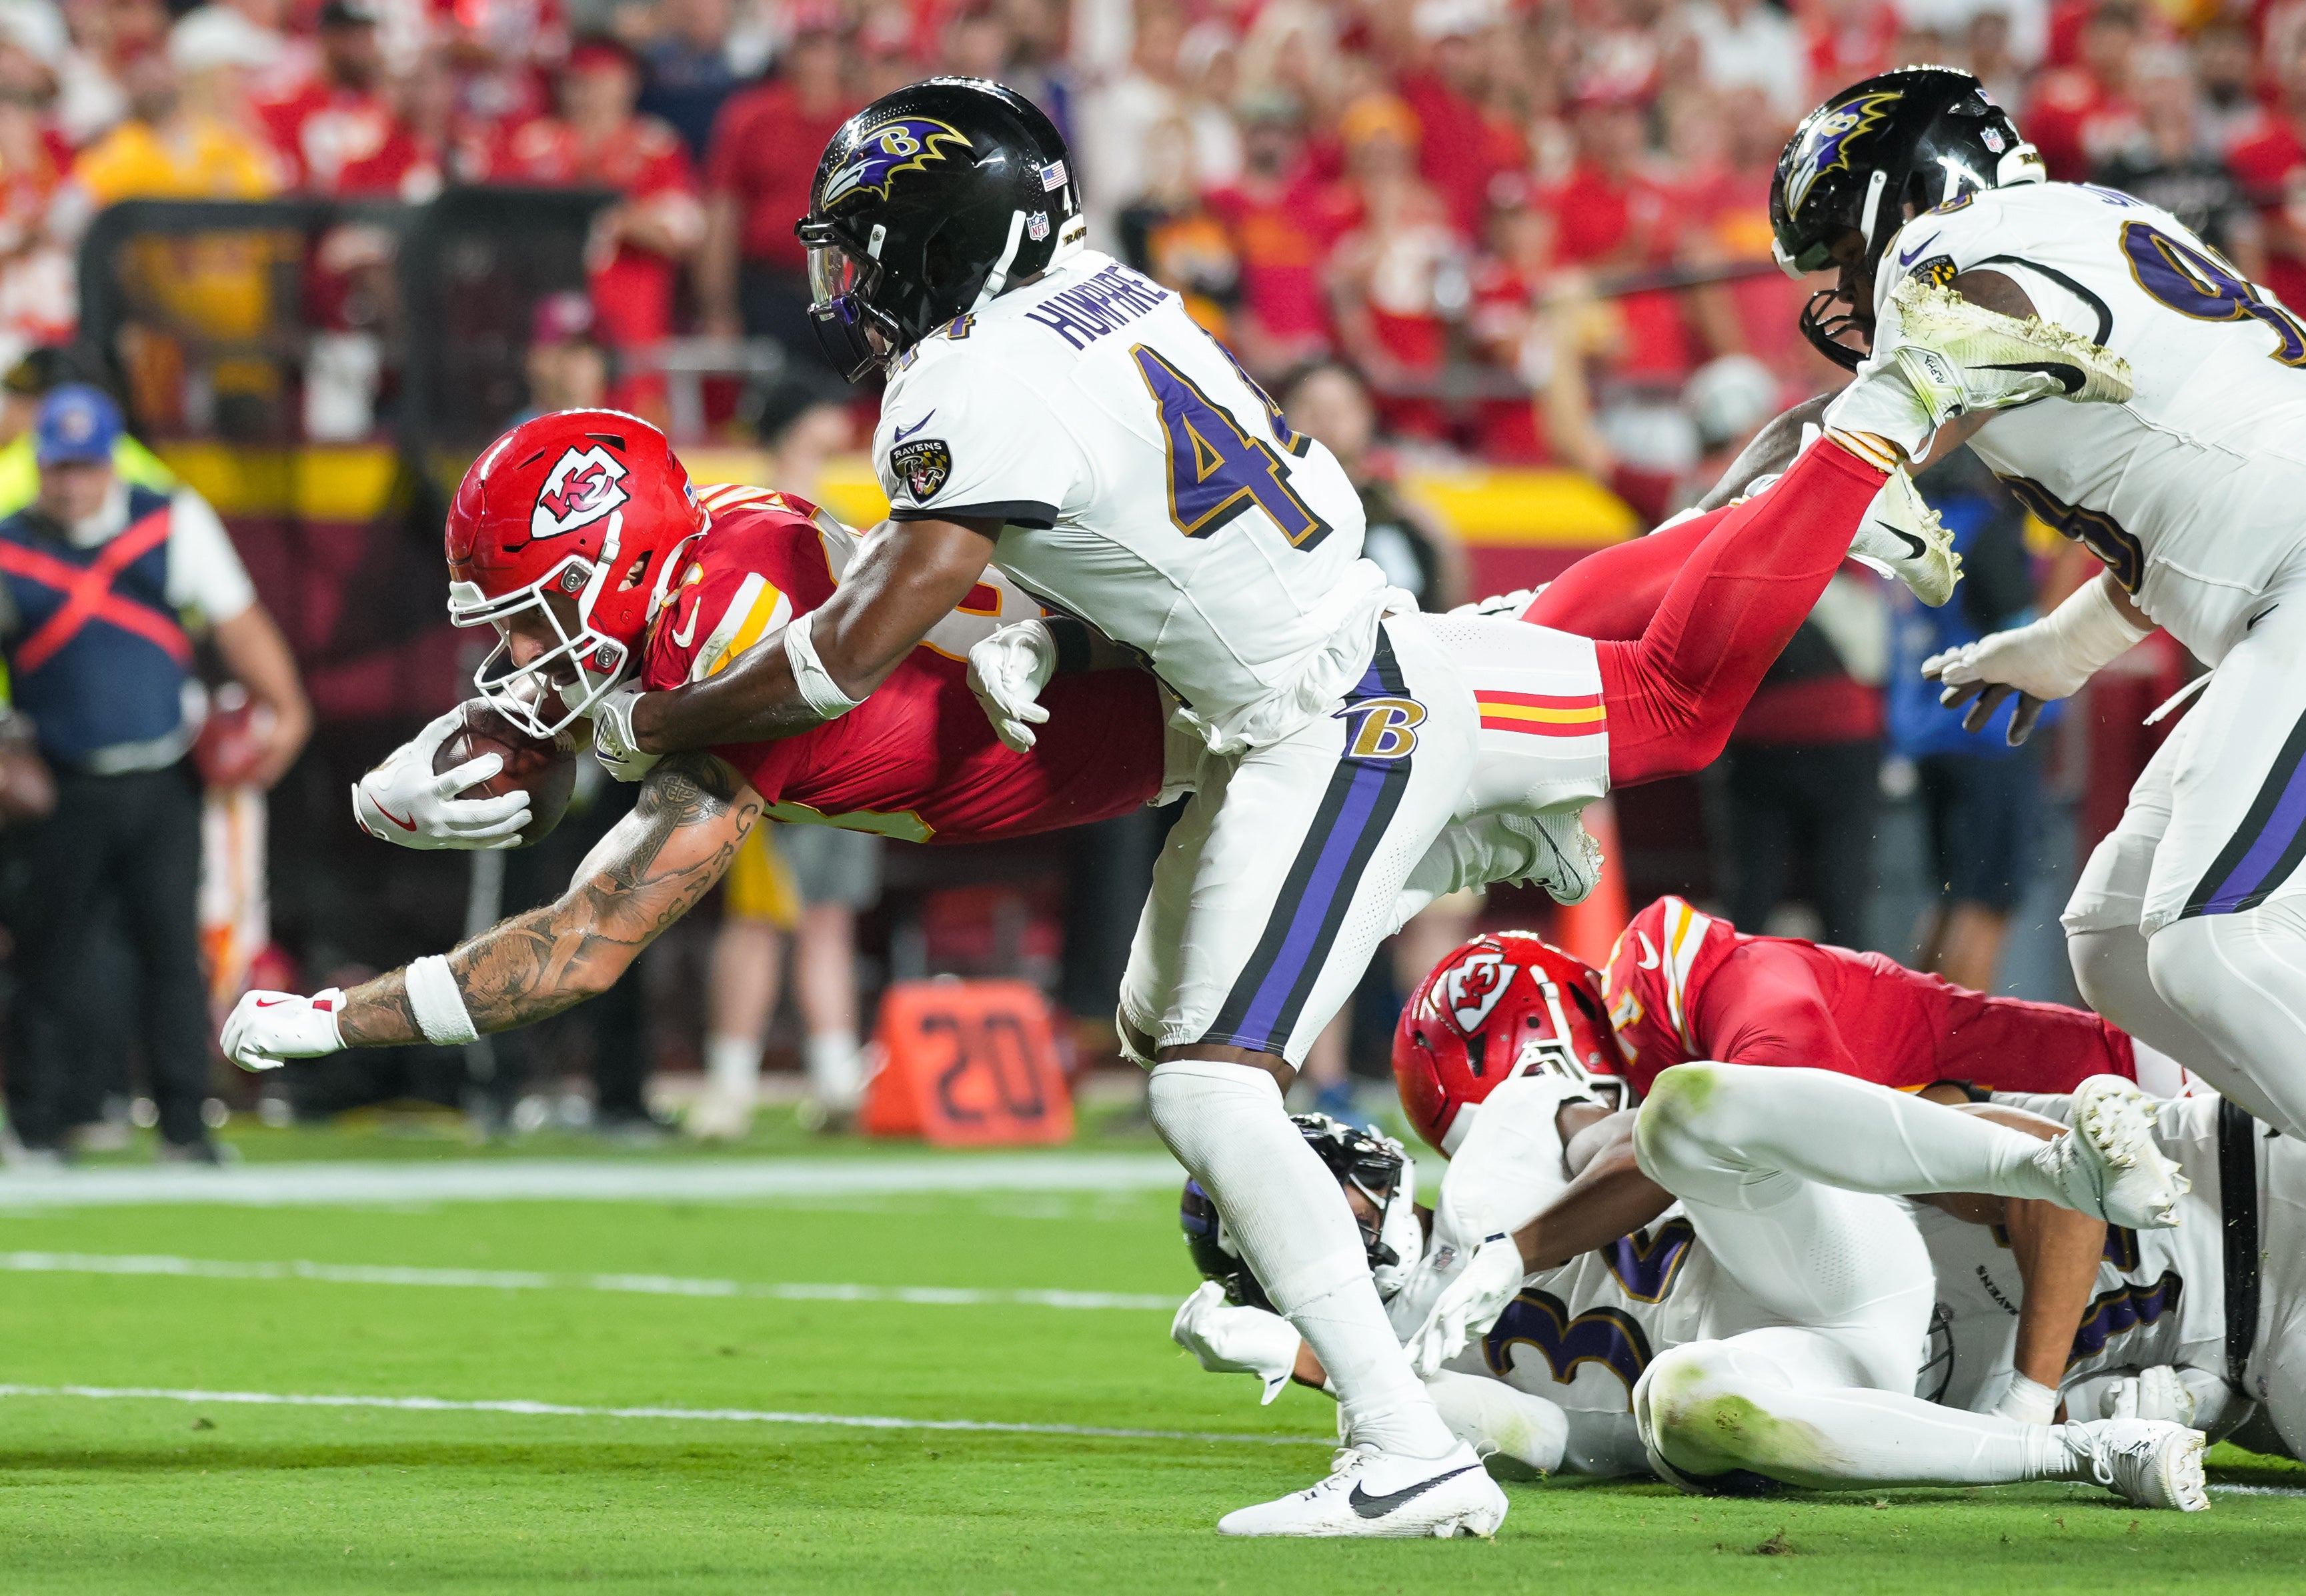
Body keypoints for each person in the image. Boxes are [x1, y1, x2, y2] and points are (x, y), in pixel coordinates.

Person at [572, 78, 2095, 1535]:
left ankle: (1402, 1446)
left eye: (860, 248)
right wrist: (1040, 619)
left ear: (935, 242)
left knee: (1210, 1077)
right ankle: (1821, 459)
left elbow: (860, 651)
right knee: (1188, 1018)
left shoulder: (963, 384)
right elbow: (1120, 520)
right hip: (1347, 653)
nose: (843, 282)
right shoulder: (1099, 297)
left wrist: (660, 717)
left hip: (1324, 713)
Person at [1747, 67, 2306, 1141]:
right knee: (2113, 942)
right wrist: (2065, 642)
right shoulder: (2082, 220)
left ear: (1899, 202)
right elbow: (2193, 501)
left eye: (1842, 255)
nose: (1844, 292)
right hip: (2276, 591)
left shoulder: (1944, 258)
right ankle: (2263, 1208)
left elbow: (1981, 317)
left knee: (2206, 939)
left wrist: (1863, 452)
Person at [1179, 1029, 2215, 1506]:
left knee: (1688, 1109)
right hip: (1807, 1377)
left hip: (1819, 1263)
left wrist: (1514, 1248)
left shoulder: (1505, 1136)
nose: (1324, 1216)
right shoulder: (1394, 1368)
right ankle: (2081, 1457)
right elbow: (1537, 1432)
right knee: (1682, 1399)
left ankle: (2052, 1166)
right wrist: (1331, 1367)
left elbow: (1629, 1145)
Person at [0, 385, 307, 1161]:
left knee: (173, 953)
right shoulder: (9, 545)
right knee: (48, 956)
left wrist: (289, 708)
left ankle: (184, 1124)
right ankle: (36, 1126)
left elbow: (236, 620)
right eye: (57, 468)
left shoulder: (168, 520)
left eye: (83, 467)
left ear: (110, 460)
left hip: (164, 775)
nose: (69, 484)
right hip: (61, 778)